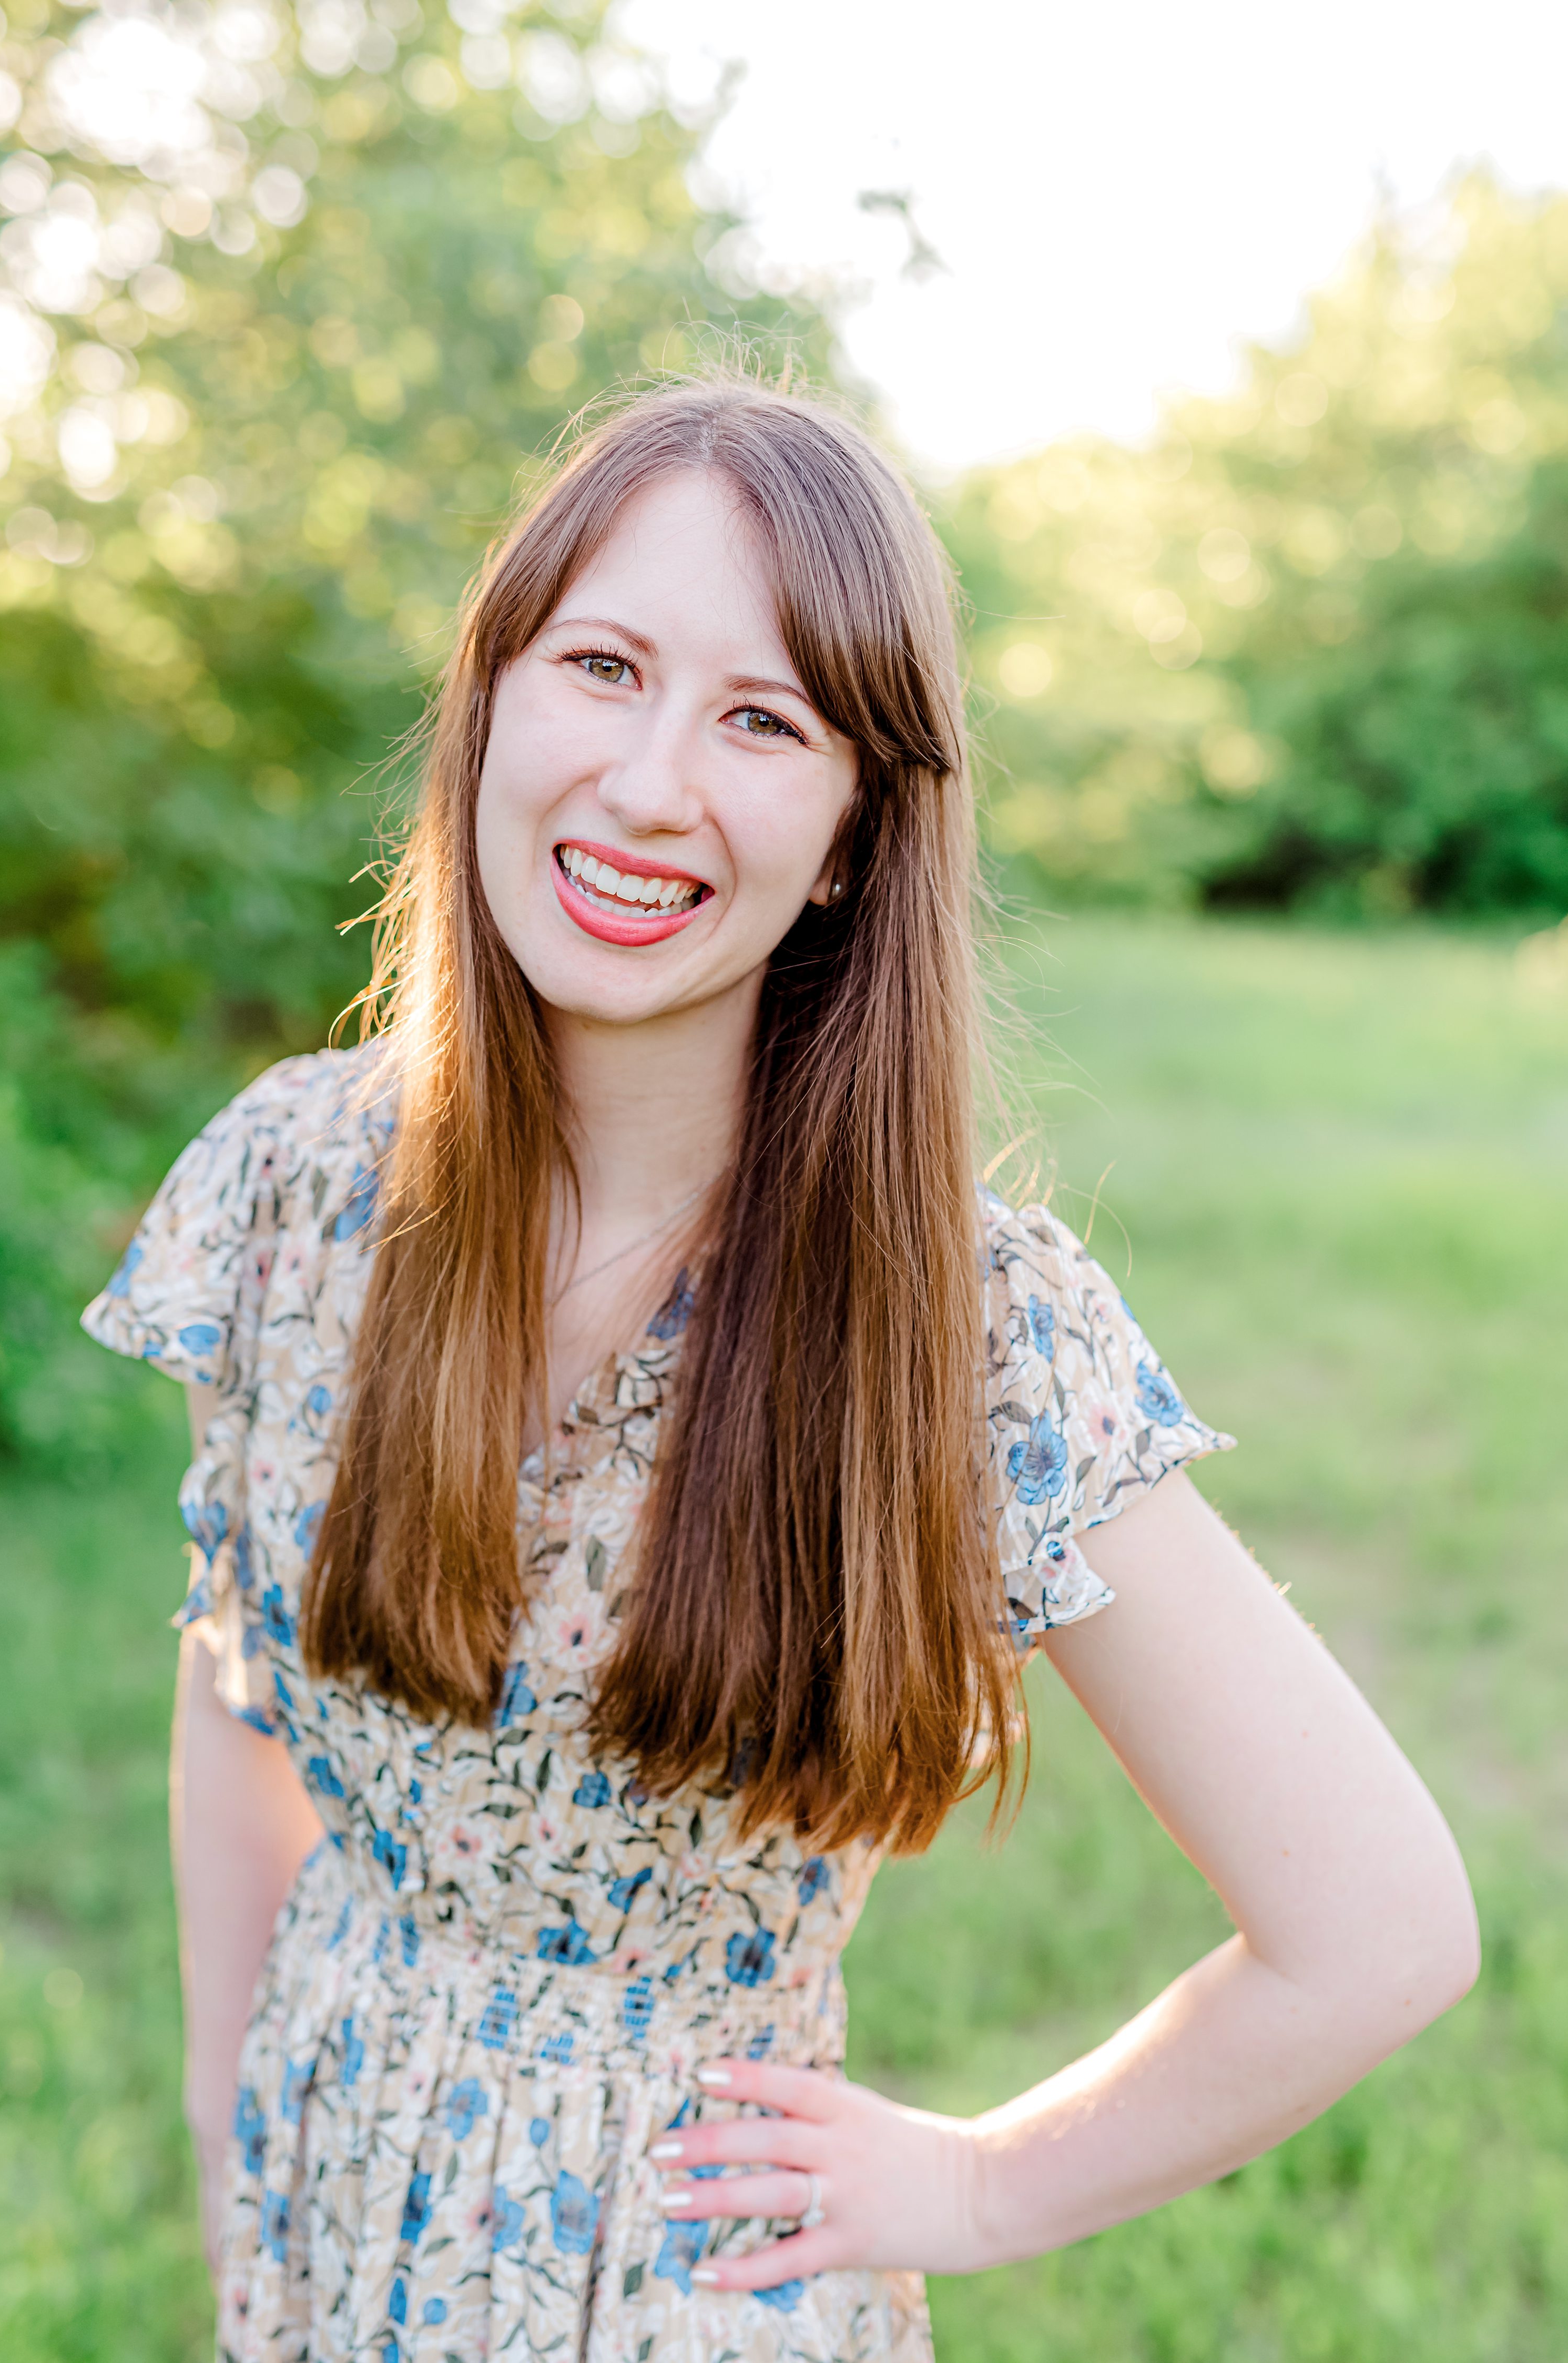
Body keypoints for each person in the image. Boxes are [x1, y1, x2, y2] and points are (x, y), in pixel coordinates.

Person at [82, 376, 1478, 2363]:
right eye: (603, 665)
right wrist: (239, 2149)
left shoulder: (962, 1330)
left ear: (846, 836)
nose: (653, 783)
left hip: (685, 2289)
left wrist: (983, 2185)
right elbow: (240, 1697)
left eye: (762, 720)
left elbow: (1381, 1930)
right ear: (492, 704)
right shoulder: (299, 1187)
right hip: (321, 2207)